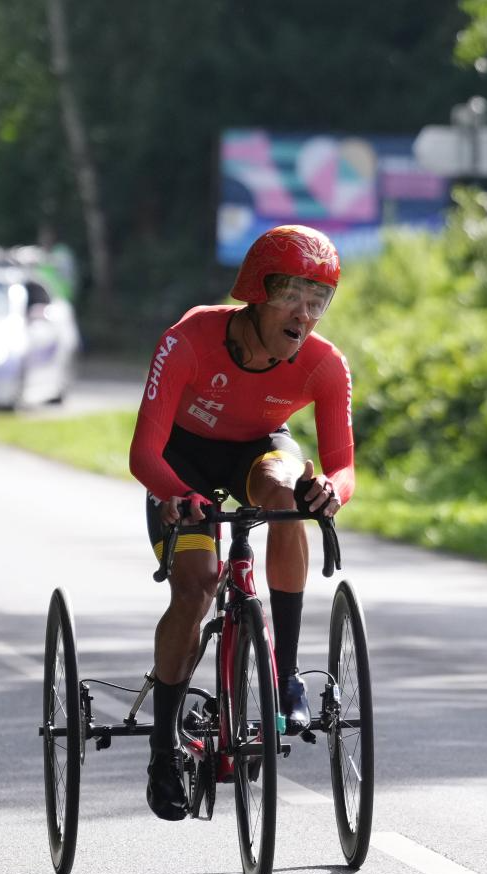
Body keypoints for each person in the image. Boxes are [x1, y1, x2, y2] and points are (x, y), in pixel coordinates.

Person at [129, 224, 354, 821]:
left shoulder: (324, 365)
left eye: (318, 301)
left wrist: (329, 490)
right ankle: (163, 744)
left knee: (286, 496)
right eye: (291, 297)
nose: (304, 315)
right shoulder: (189, 339)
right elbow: (143, 455)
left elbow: (343, 465)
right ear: (256, 292)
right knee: (198, 582)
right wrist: (176, 494)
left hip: (259, 452)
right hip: (181, 463)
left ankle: (284, 679)